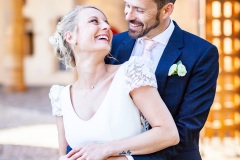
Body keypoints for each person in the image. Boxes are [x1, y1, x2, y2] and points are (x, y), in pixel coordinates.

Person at [48, 5, 179, 160]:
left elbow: (168, 133)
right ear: (70, 37)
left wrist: (107, 149)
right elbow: (65, 155)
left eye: (105, 22)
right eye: (94, 21)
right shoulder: (61, 97)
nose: (106, 26)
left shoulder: (131, 73)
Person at [105, 0, 219, 159]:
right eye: (127, 5)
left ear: (166, 10)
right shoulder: (113, 45)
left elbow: (186, 130)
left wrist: (127, 158)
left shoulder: (201, 53)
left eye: (139, 10)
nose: (129, 15)